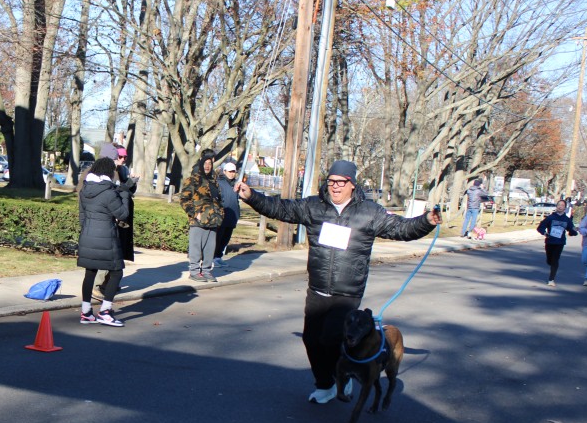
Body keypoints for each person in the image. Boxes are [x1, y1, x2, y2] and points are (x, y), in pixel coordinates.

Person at [235, 159, 442, 405]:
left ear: (352, 184)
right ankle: (325, 385)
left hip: (347, 292)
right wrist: (251, 197)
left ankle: (342, 376)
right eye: (331, 181)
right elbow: (281, 208)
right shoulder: (314, 206)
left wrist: (426, 221)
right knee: (311, 340)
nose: (335, 186)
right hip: (318, 288)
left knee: (331, 338)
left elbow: (401, 228)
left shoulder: (369, 212)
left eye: (341, 182)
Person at [78, 156, 131, 326]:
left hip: (87, 236)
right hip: (106, 237)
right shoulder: (109, 193)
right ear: (109, 172)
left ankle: (86, 312)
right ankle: (105, 312)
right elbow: (122, 214)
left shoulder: (84, 190)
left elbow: (82, 217)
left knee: (90, 273)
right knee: (117, 272)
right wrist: (125, 193)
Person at [180, 148, 224, 282]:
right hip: (198, 220)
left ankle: (206, 271)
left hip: (213, 220)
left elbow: (219, 199)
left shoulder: (214, 181)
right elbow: (184, 199)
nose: (207, 166)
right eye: (205, 163)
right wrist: (195, 213)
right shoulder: (192, 180)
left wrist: (220, 213)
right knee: (196, 247)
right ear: (201, 163)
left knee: (210, 249)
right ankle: (194, 271)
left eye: (210, 163)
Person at [537, 199, 578, 286]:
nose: (560, 207)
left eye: (562, 205)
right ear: (556, 206)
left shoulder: (566, 220)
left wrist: (574, 231)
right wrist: (545, 233)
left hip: (560, 242)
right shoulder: (550, 218)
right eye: (559, 205)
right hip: (550, 241)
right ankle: (550, 263)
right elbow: (540, 227)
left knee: (555, 260)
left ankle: (551, 279)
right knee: (549, 260)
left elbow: (572, 230)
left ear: (565, 208)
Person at [214, 158, 241, 266]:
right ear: (224, 171)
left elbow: (237, 200)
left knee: (225, 239)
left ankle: (218, 257)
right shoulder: (219, 183)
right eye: (230, 171)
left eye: (233, 171)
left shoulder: (236, 184)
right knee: (218, 238)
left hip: (232, 217)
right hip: (221, 216)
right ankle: (212, 257)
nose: (232, 173)